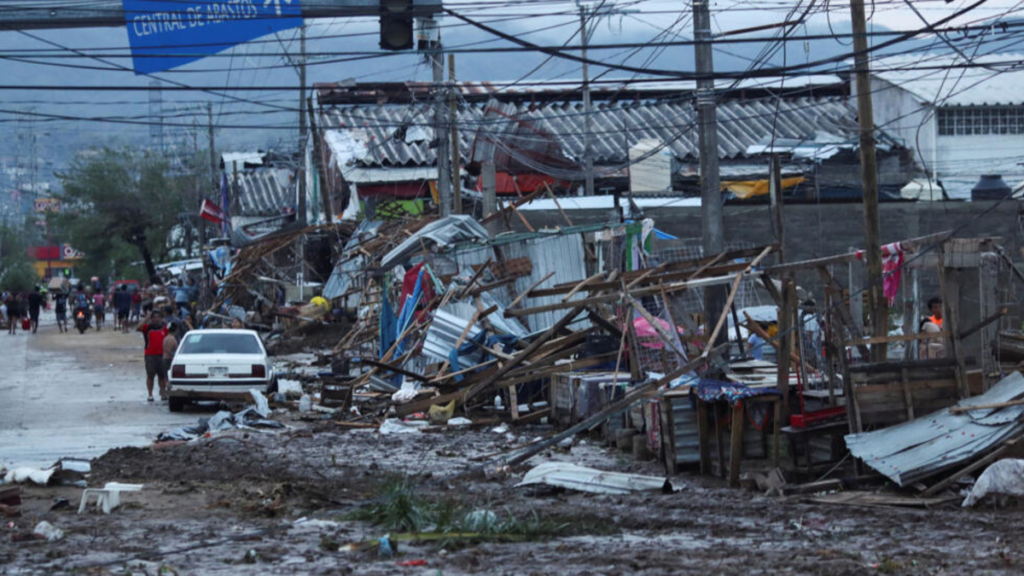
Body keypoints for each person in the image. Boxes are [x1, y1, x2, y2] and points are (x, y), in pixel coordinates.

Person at [137, 309, 169, 402]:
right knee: (150, 376)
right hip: (150, 355)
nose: (156, 319)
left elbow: (173, 332)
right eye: (154, 317)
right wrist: (146, 318)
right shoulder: (147, 328)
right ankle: (150, 394)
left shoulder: (164, 328)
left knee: (162, 376)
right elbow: (138, 327)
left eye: (158, 317)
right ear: (151, 319)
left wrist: (165, 322)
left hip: (162, 355)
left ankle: (163, 393)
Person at [162, 324, 178, 399]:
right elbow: (172, 351)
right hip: (169, 359)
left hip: (164, 358)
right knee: (169, 377)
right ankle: (169, 392)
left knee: (165, 377)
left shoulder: (165, 338)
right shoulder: (173, 339)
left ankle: (165, 393)